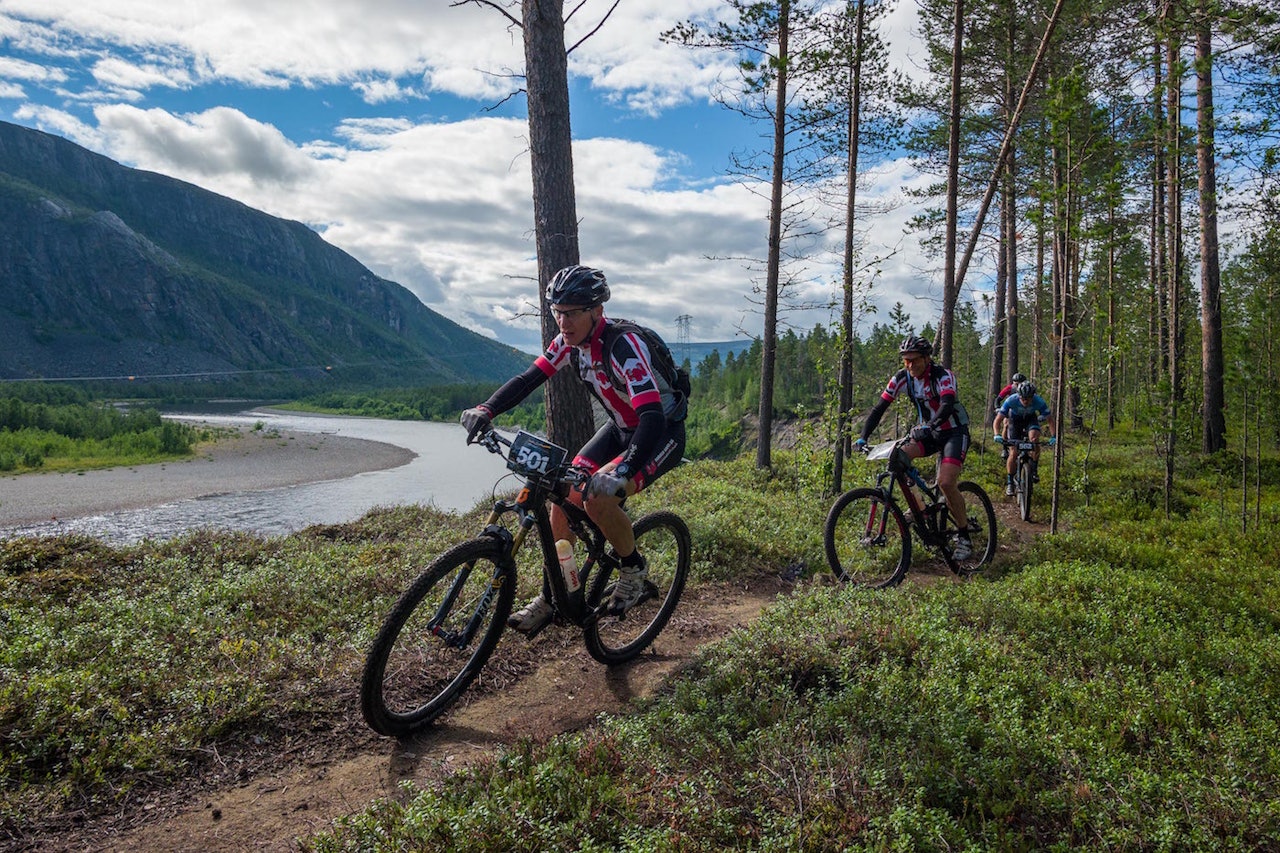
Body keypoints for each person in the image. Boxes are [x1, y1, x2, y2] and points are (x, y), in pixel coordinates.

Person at [459, 265, 687, 636]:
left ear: (596, 311)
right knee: (560, 503)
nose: (563, 322)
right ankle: (553, 595)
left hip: (659, 434)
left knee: (597, 498)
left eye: (572, 313)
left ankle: (633, 567)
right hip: (619, 429)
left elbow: (651, 418)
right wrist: (487, 408)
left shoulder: (622, 348)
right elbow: (528, 379)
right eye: (557, 312)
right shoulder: (568, 343)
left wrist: (622, 472)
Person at [854, 334, 974, 560]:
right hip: (928, 431)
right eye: (906, 360)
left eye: (915, 360)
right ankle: (919, 509)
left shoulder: (943, 376)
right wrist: (863, 437)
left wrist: (930, 425)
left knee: (946, 483)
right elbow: (880, 408)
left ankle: (964, 535)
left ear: (927, 358)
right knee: (898, 458)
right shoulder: (902, 378)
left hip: (953, 432)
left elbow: (947, 405)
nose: (910, 365)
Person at [993, 380, 1056, 497]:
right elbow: (998, 420)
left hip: (1030, 420)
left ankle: (1034, 469)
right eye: (1023, 398)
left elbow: (1050, 420)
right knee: (1013, 452)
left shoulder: (1039, 401)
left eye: (1028, 398)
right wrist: (996, 433)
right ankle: (1010, 482)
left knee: (1034, 440)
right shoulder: (1011, 400)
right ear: (1018, 396)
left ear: (1033, 396)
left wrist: (1053, 436)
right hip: (1014, 421)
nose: (1026, 401)